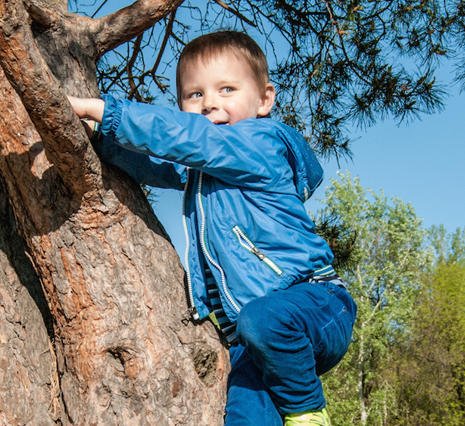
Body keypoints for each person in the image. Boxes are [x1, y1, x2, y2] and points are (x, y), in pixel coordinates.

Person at [68, 31, 357, 426]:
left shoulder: (260, 143)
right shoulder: (203, 166)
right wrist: (101, 141)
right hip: (252, 345)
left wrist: (107, 112)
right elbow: (157, 165)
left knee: (265, 319)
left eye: (226, 89)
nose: (209, 104)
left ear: (264, 100)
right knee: (243, 416)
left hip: (313, 304)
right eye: (195, 95)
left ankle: (308, 412)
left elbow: (192, 140)